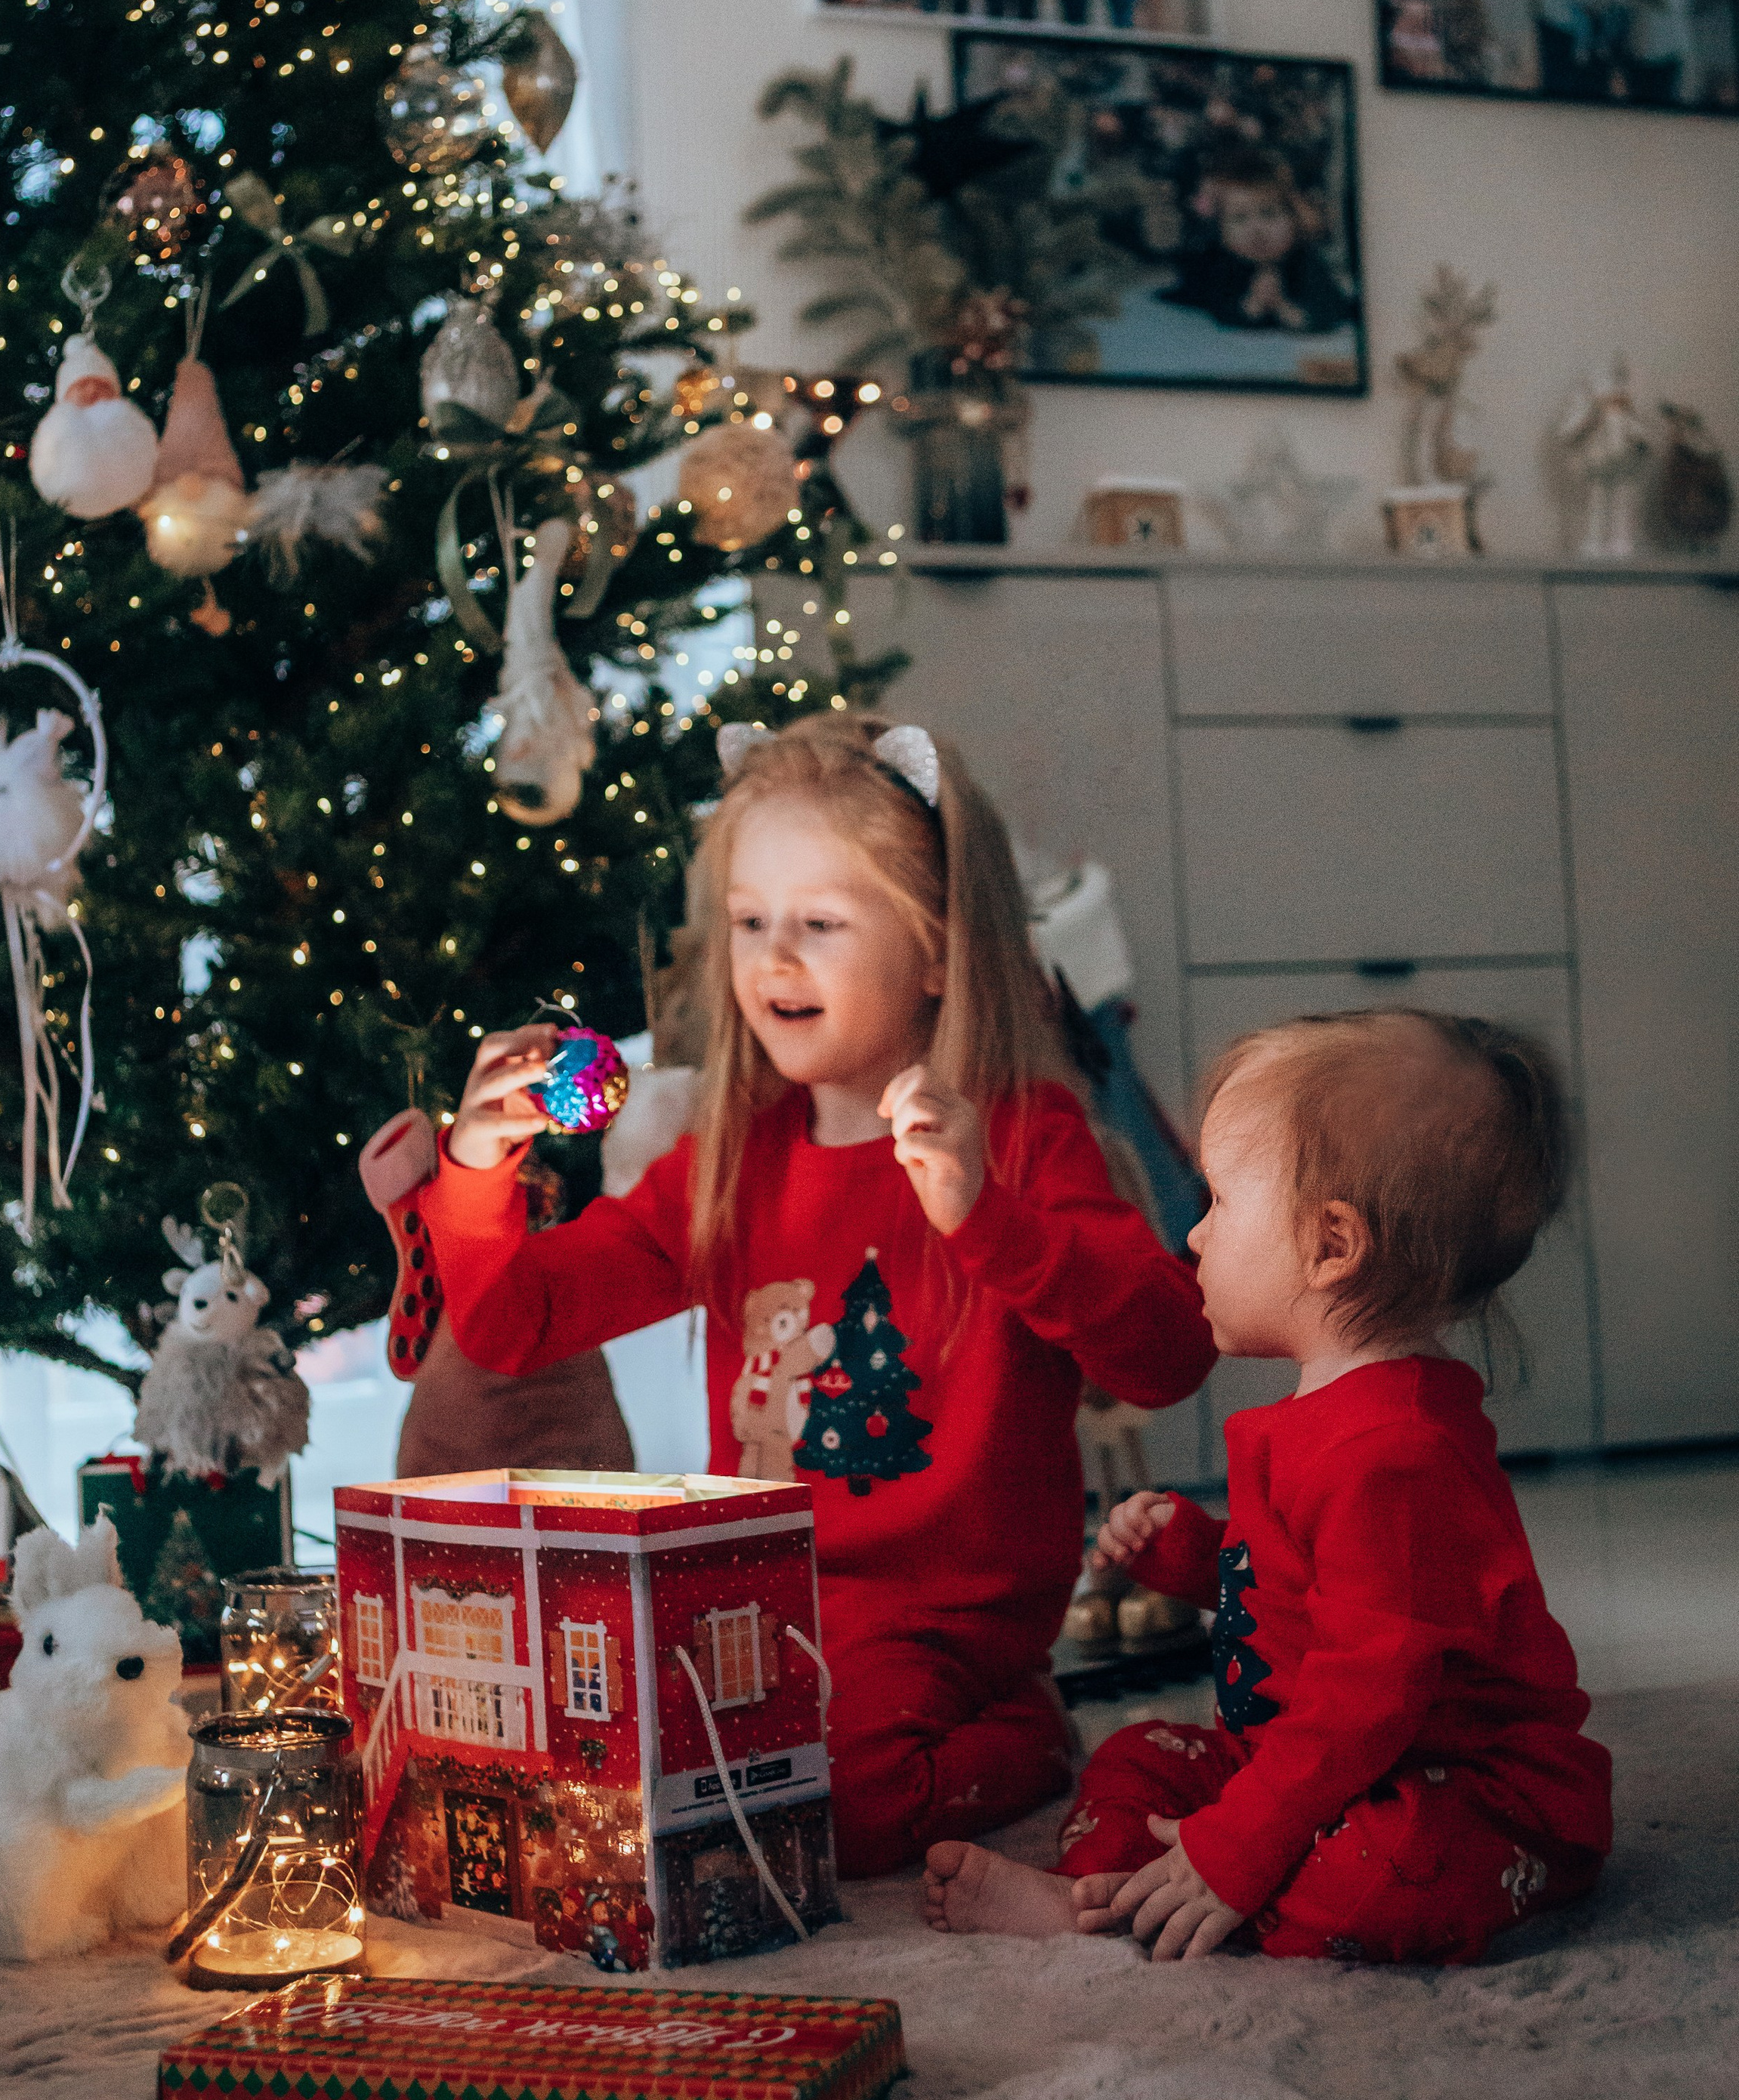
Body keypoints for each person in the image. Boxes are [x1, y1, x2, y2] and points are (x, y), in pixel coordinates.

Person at [400, 710, 1214, 1878]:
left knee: (828, 1802)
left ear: (935, 953)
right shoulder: (730, 1161)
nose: (774, 958)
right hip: (745, 1595)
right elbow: (516, 1324)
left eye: (820, 924)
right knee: (582, 1741)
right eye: (750, 921)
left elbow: (1168, 1356)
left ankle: (1028, 1736)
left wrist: (988, 1218)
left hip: (944, 1620)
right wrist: (479, 1171)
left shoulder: (1018, 1138)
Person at [922, 1008, 1614, 1965]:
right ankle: (1110, 1893)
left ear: (1331, 1245)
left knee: (1389, 1866)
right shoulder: (1323, 1415)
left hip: (1460, 1778)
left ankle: (1173, 1899)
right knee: (1138, 1759)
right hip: (1302, 1757)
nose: (1193, 1234)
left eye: (1216, 1201)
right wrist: (1197, 1561)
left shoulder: (1395, 1453)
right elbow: (1305, 1597)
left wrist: (1242, 1845)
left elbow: (1367, 1698)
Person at [1157, 145, 1352, 335]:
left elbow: (1332, 307)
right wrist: (1253, 306)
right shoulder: (1224, 265)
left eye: (1269, 214)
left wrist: (1285, 309)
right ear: (1221, 231)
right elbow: (1219, 308)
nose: (1256, 229)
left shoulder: (1304, 262)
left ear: (1294, 220)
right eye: (1240, 219)